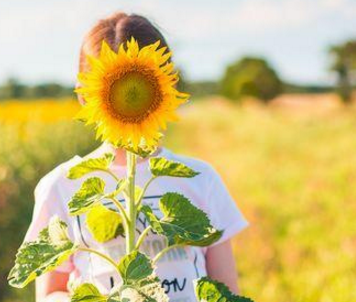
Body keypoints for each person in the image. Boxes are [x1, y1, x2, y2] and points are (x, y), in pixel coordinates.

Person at [24, 12, 249, 302]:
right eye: (112, 89)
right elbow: (50, 292)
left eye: (141, 83)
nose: (129, 96)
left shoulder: (201, 180)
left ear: (167, 87)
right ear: (84, 97)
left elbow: (226, 291)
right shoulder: (63, 186)